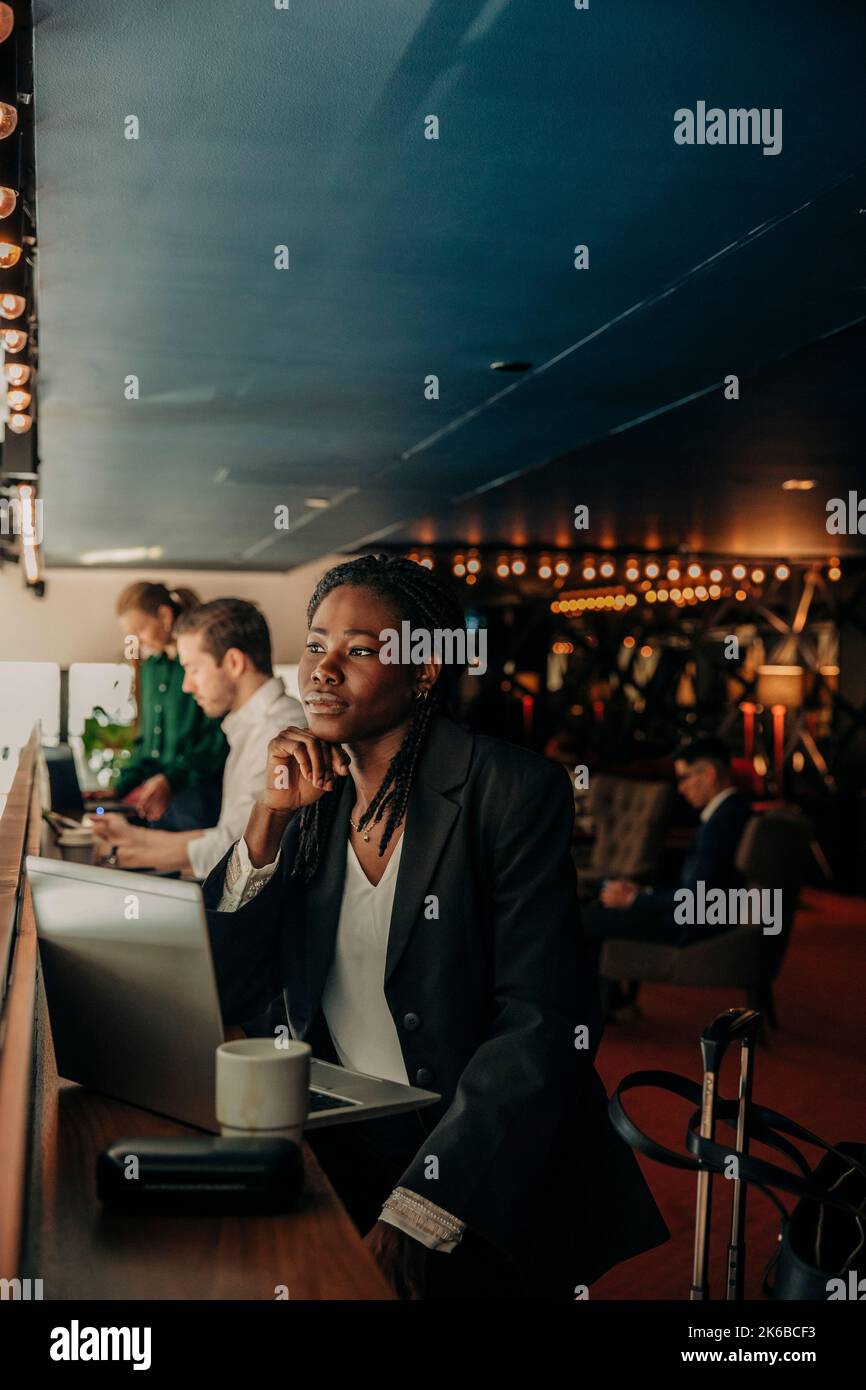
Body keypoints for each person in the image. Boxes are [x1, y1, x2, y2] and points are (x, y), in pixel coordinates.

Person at [199, 554, 669, 1300]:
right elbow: (227, 986)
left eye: (360, 650)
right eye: (317, 644)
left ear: (423, 673)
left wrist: (424, 1205)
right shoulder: (309, 795)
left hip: (483, 1158)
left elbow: (543, 1020)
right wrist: (265, 822)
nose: (323, 670)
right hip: (344, 1147)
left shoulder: (510, 790)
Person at [93, 599, 304, 878]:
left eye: (193, 669)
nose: (186, 685)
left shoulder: (277, 731)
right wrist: (132, 836)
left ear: (233, 662)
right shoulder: (249, 727)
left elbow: (240, 853)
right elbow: (228, 835)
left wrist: (116, 856)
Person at [582, 735, 753, 967]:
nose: (681, 789)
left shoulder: (722, 822)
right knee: (599, 908)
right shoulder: (735, 811)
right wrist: (645, 893)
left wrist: (635, 899)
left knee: (584, 918)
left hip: (695, 926)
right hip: (702, 916)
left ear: (710, 773)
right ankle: (611, 1001)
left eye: (685, 778)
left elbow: (696, 898)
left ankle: (604, 1002)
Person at [113, 581, 228, 828]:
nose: (136, 641)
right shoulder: (150, 670)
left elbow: (215, 741)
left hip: (196, 799)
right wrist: (119, 789)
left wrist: (171, 780)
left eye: (140, 630)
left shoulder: (202, 670)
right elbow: (146, 742)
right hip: (154, 799)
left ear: (164, 616)